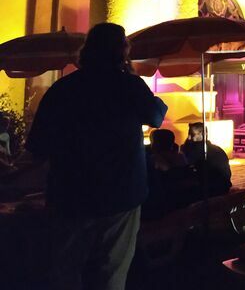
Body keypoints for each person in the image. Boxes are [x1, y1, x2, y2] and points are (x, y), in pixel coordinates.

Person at [25, 23, 168, 290]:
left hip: (71, 194)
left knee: (66, 270)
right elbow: (156, 116)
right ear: (122, 51)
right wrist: (134, 81)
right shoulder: (128, 85)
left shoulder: (63, 89)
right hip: (121, 193)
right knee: (111, 271)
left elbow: (38, 145)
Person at [181, 122, 232, 196]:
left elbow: (187, 164)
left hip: (211, 188)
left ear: (202, 134)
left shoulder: (198, 150)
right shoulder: (217, 149)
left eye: (191, 135)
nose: (189, 137)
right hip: (223, 185)